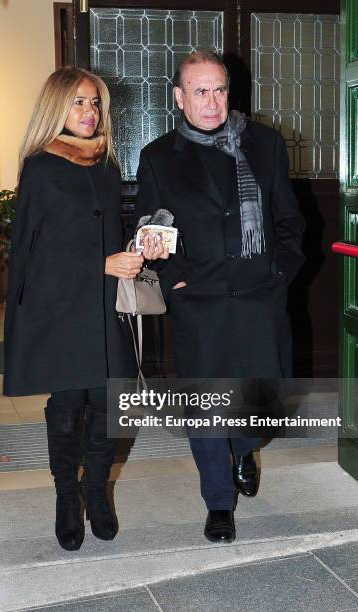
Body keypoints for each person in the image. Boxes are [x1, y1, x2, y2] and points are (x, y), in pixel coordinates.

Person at [134, 51, 305, 543]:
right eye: (201, 91)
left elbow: (289, 220)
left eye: (220, 90)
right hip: (200, 300)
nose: (212, 102)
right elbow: (150, 228)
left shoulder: (265, 144)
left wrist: (280, 271)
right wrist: (174, 280)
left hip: (259, 296)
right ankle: (218, 503)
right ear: (179, 97)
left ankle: (243, 448)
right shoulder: (158, 156)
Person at [3, 66, 166, 551]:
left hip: (106, 307)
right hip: (62, 308)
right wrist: (100, 263)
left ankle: (96, 492)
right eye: (78, 102)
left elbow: (109, 235)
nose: (89, 112)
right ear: (57, 107)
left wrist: (140, 245)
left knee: (110, 404)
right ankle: (65, 497)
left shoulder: (107, 166)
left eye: (95, 103)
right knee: (69, 405)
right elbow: (32, 254)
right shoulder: (40, 167)